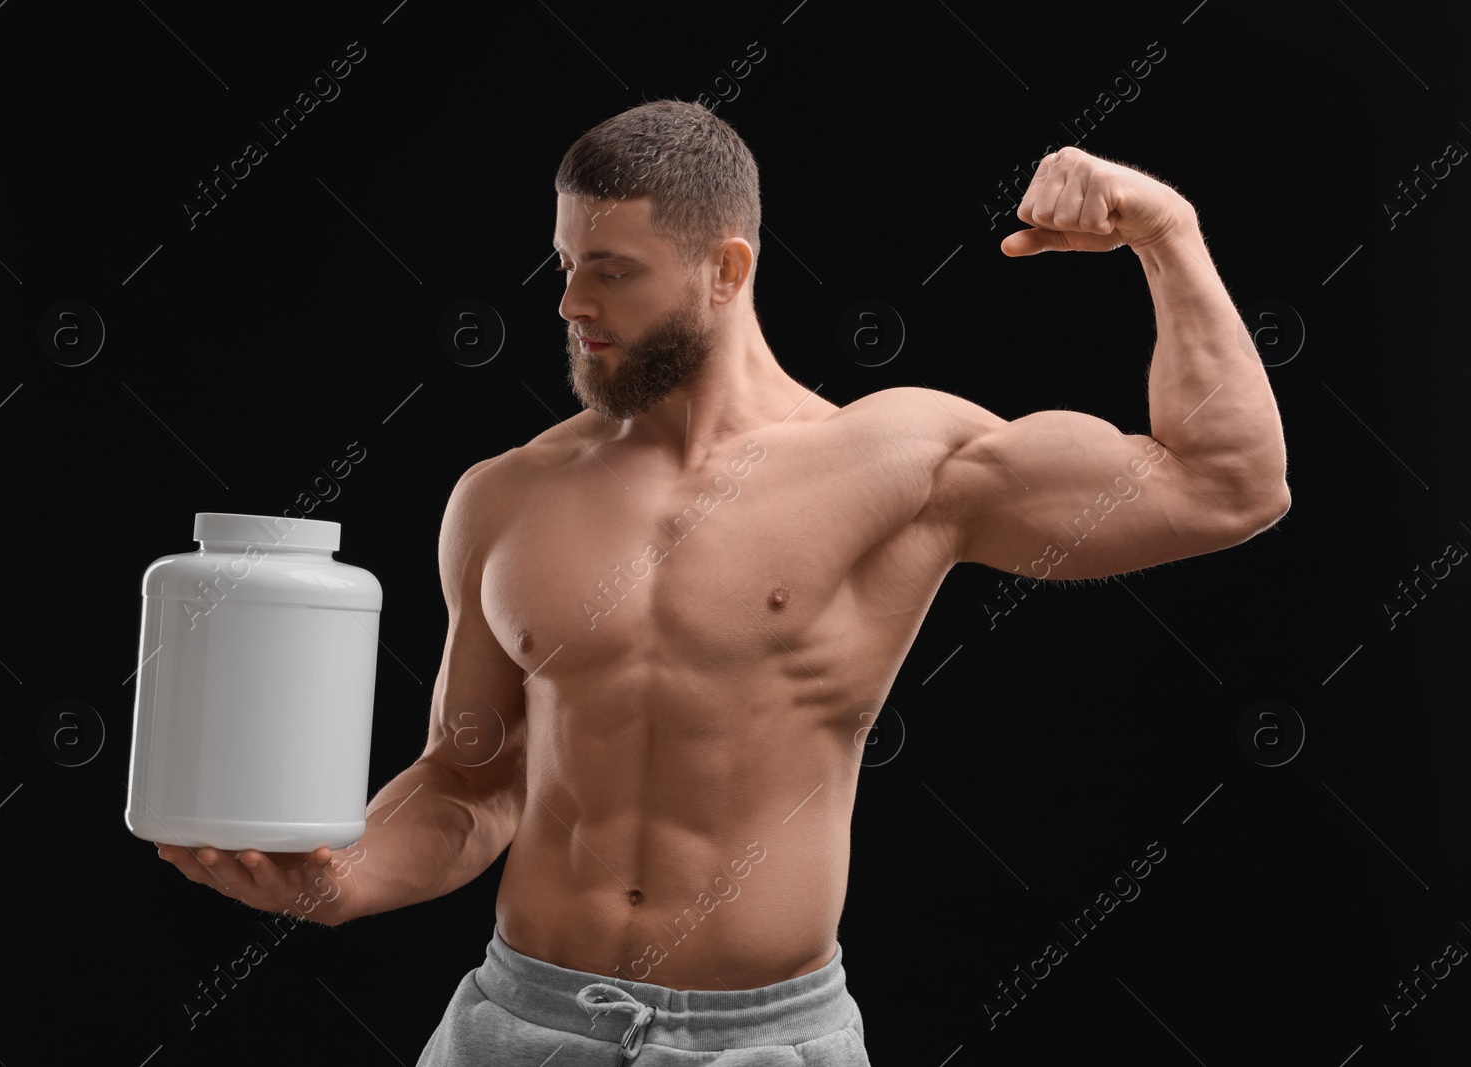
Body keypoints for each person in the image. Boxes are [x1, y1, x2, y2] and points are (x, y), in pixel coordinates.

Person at [157, 100, 1289, 1064]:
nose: (569, 306)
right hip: (518, 1023)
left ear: (726, 268)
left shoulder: (902, 463)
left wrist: (1163, 229)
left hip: (764, 1040)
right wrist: (339, 877)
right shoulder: (503, 498)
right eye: (565, 265)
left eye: (610, 272)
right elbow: (470, 780)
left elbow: (1228, 484)